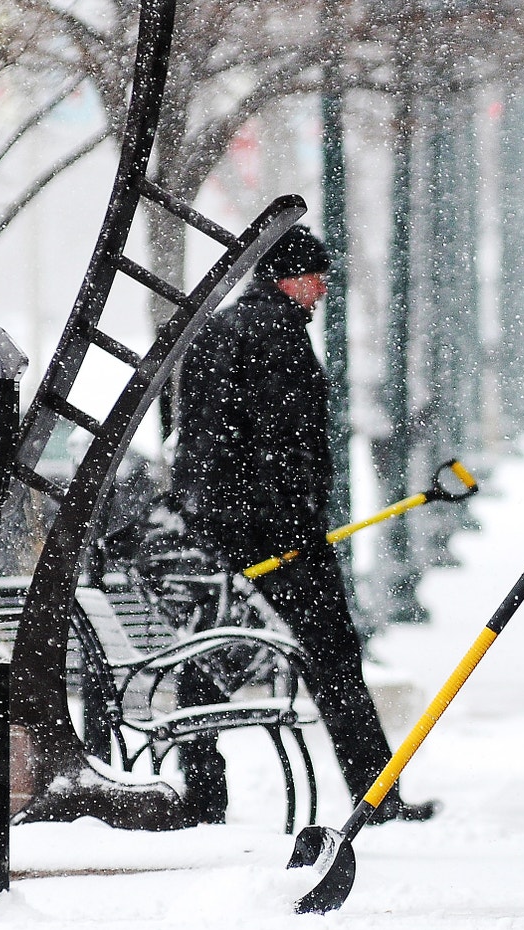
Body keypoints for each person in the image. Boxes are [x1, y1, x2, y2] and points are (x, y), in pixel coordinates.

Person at [171, 224, 436, 826]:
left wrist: (213, 516)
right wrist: (298, 520)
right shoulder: (279, 337)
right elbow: (286, 444)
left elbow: (196, 433)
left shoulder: (216, 330)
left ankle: (202, 790)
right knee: (335, 658)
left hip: (221, 530)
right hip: (281, 535)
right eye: (316, 278)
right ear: (290, 277)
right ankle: (377, 795)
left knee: (218, 652)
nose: (321, 291)